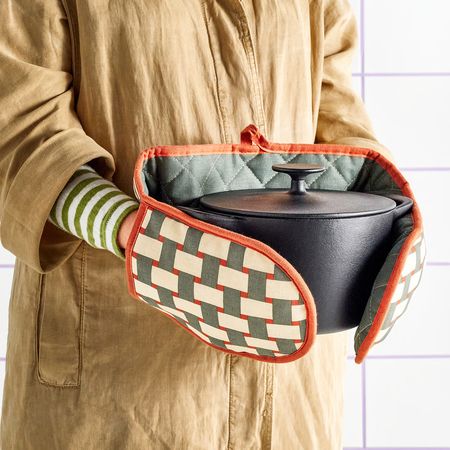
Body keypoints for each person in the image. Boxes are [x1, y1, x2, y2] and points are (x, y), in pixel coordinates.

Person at [0, 1, 394, 448]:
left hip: (290, 383)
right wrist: (144, 239)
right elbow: (23, 130)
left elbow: (334, 108)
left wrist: (387, 206)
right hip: (118, 373)